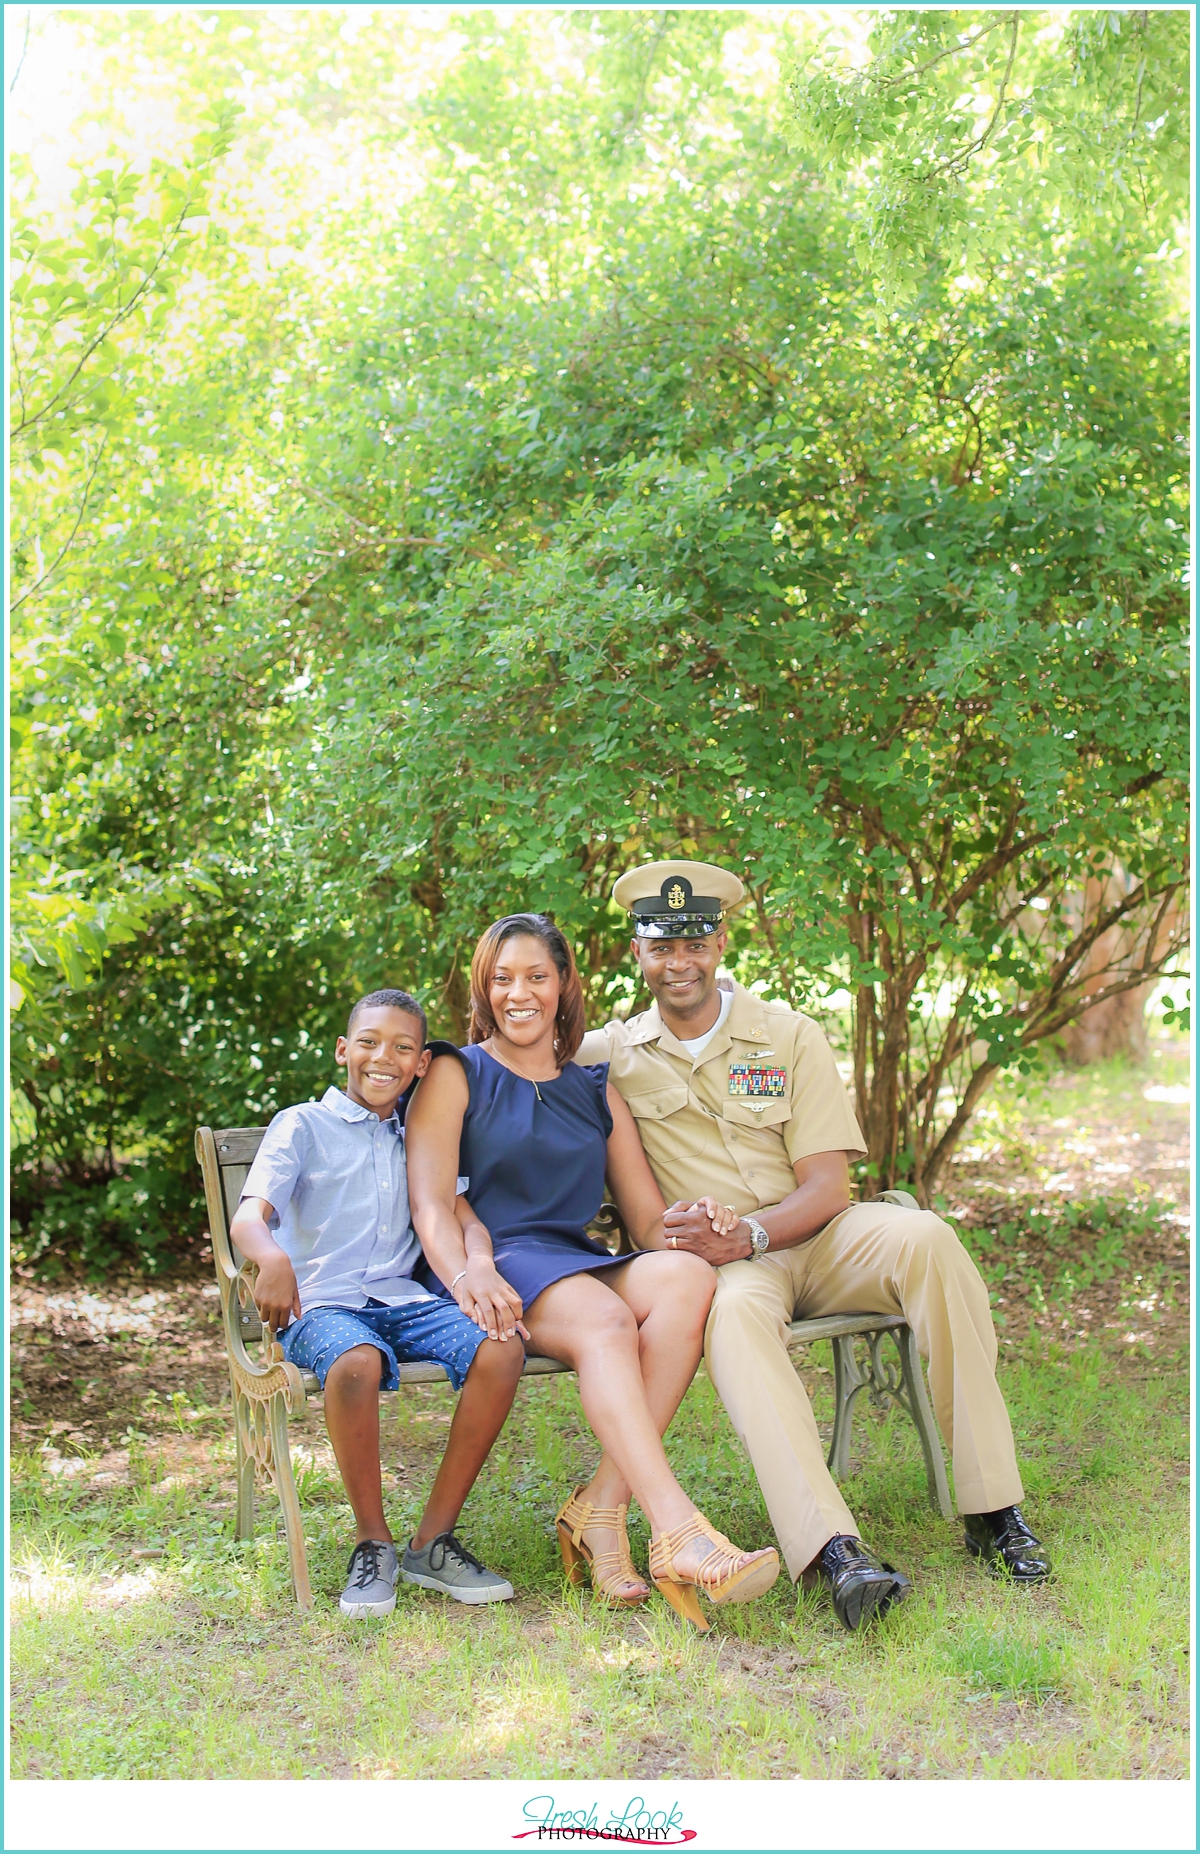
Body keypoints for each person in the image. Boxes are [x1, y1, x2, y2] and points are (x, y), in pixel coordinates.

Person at [575, 860, 1051, 1632]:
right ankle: (835, 1551)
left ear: (722, 942)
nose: (679, 963)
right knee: (729, 1319)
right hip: (724, 1273)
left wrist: (754, 1233)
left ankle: (993, 1510)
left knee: (927, 1236)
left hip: (818, 1238)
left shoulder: (788, 1035)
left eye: (694, 943)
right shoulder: (614, 1053)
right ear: (638, 953)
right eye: (661, 947)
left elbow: (829, 1187)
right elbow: (515, 1048)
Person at [405, 913, 780, 1631]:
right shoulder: (458, 1070)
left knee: (685, 1279)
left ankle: (601, 1509)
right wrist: (464, 1279)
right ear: (485, 988)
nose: (520, 993)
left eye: (537, 977)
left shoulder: (594, 1089)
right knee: (608, 1318)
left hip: (569, 1262)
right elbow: (429, 1205)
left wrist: (703, 1217)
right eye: (503, 978)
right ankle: (680, 1532)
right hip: (488, 1266)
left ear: (564, 985)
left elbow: (647, 1228)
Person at [230, 988, 524, 1618]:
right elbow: (250, 1217)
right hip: (322, 1303)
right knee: (357, 1359)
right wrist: (273, 1258)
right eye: (368, 1042)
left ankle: (431, 1541)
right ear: (344, 1049)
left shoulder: (420, 1134)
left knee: (502, 1349)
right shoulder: (302, 1125)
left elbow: (459, 1215)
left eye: (403, 1047)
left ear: (420, 1064)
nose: (382, 1057)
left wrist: (479, 1263)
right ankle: (373, 1543)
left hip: (403, 1298)